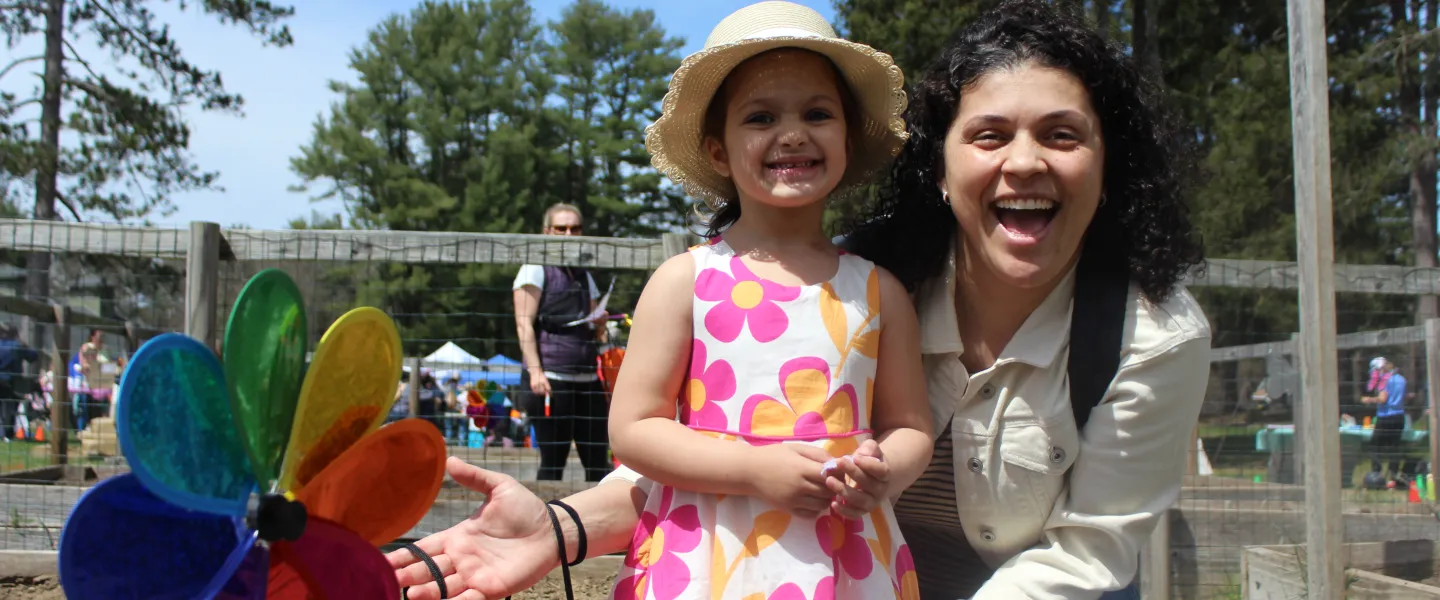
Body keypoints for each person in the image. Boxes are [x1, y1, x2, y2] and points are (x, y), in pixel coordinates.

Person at [390, 2, 1212, 599]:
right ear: (940, 161)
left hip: (875, 574)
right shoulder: (749, 277)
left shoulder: (1139, 332)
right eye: (990, 135)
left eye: (1062, 134)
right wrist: (563, 526)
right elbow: (649, 439)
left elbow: (1063, 535)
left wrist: (877, 468)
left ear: (1112, 163)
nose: (1025, 162)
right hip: (715, 567)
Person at [606, 2, 932, 598]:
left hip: (848, 551)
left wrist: (883, 472)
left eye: (817, 113)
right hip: (712, 552)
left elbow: (909, 427)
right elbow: (633, 429)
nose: (791, 134)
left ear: (847, 136)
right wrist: (754, 470)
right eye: (760, 117)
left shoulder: (880, 292)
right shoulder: (685, 281)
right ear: (717, 152)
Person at [513, 203, 613, 482]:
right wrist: (535, 371)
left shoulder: (585, 274)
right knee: (552, 463)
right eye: (561, 228)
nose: (569, 233)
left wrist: (599, 323)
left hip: (587, 378)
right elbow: (523, 323)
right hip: (550, 380)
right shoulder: (534, 268)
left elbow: (595, 329)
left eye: (575, 228)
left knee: (598, 463)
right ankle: (545, 523)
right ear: (547, 232)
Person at [1361, 356, 1408, 488]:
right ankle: (1394, 477)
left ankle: (1376, 475)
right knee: (1394, 447)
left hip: (1385, 416)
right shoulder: (1402, 379)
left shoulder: (1384, 380)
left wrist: (1368, 400)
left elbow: (1382, 399)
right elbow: (1404, 397)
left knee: (1374, 447)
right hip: (1399, 416)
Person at [0, 323, 38, 440]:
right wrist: (23, 344)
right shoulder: (17, 346)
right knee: (9, 408)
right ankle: (7, 434)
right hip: (9, 381)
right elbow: (33, 356)